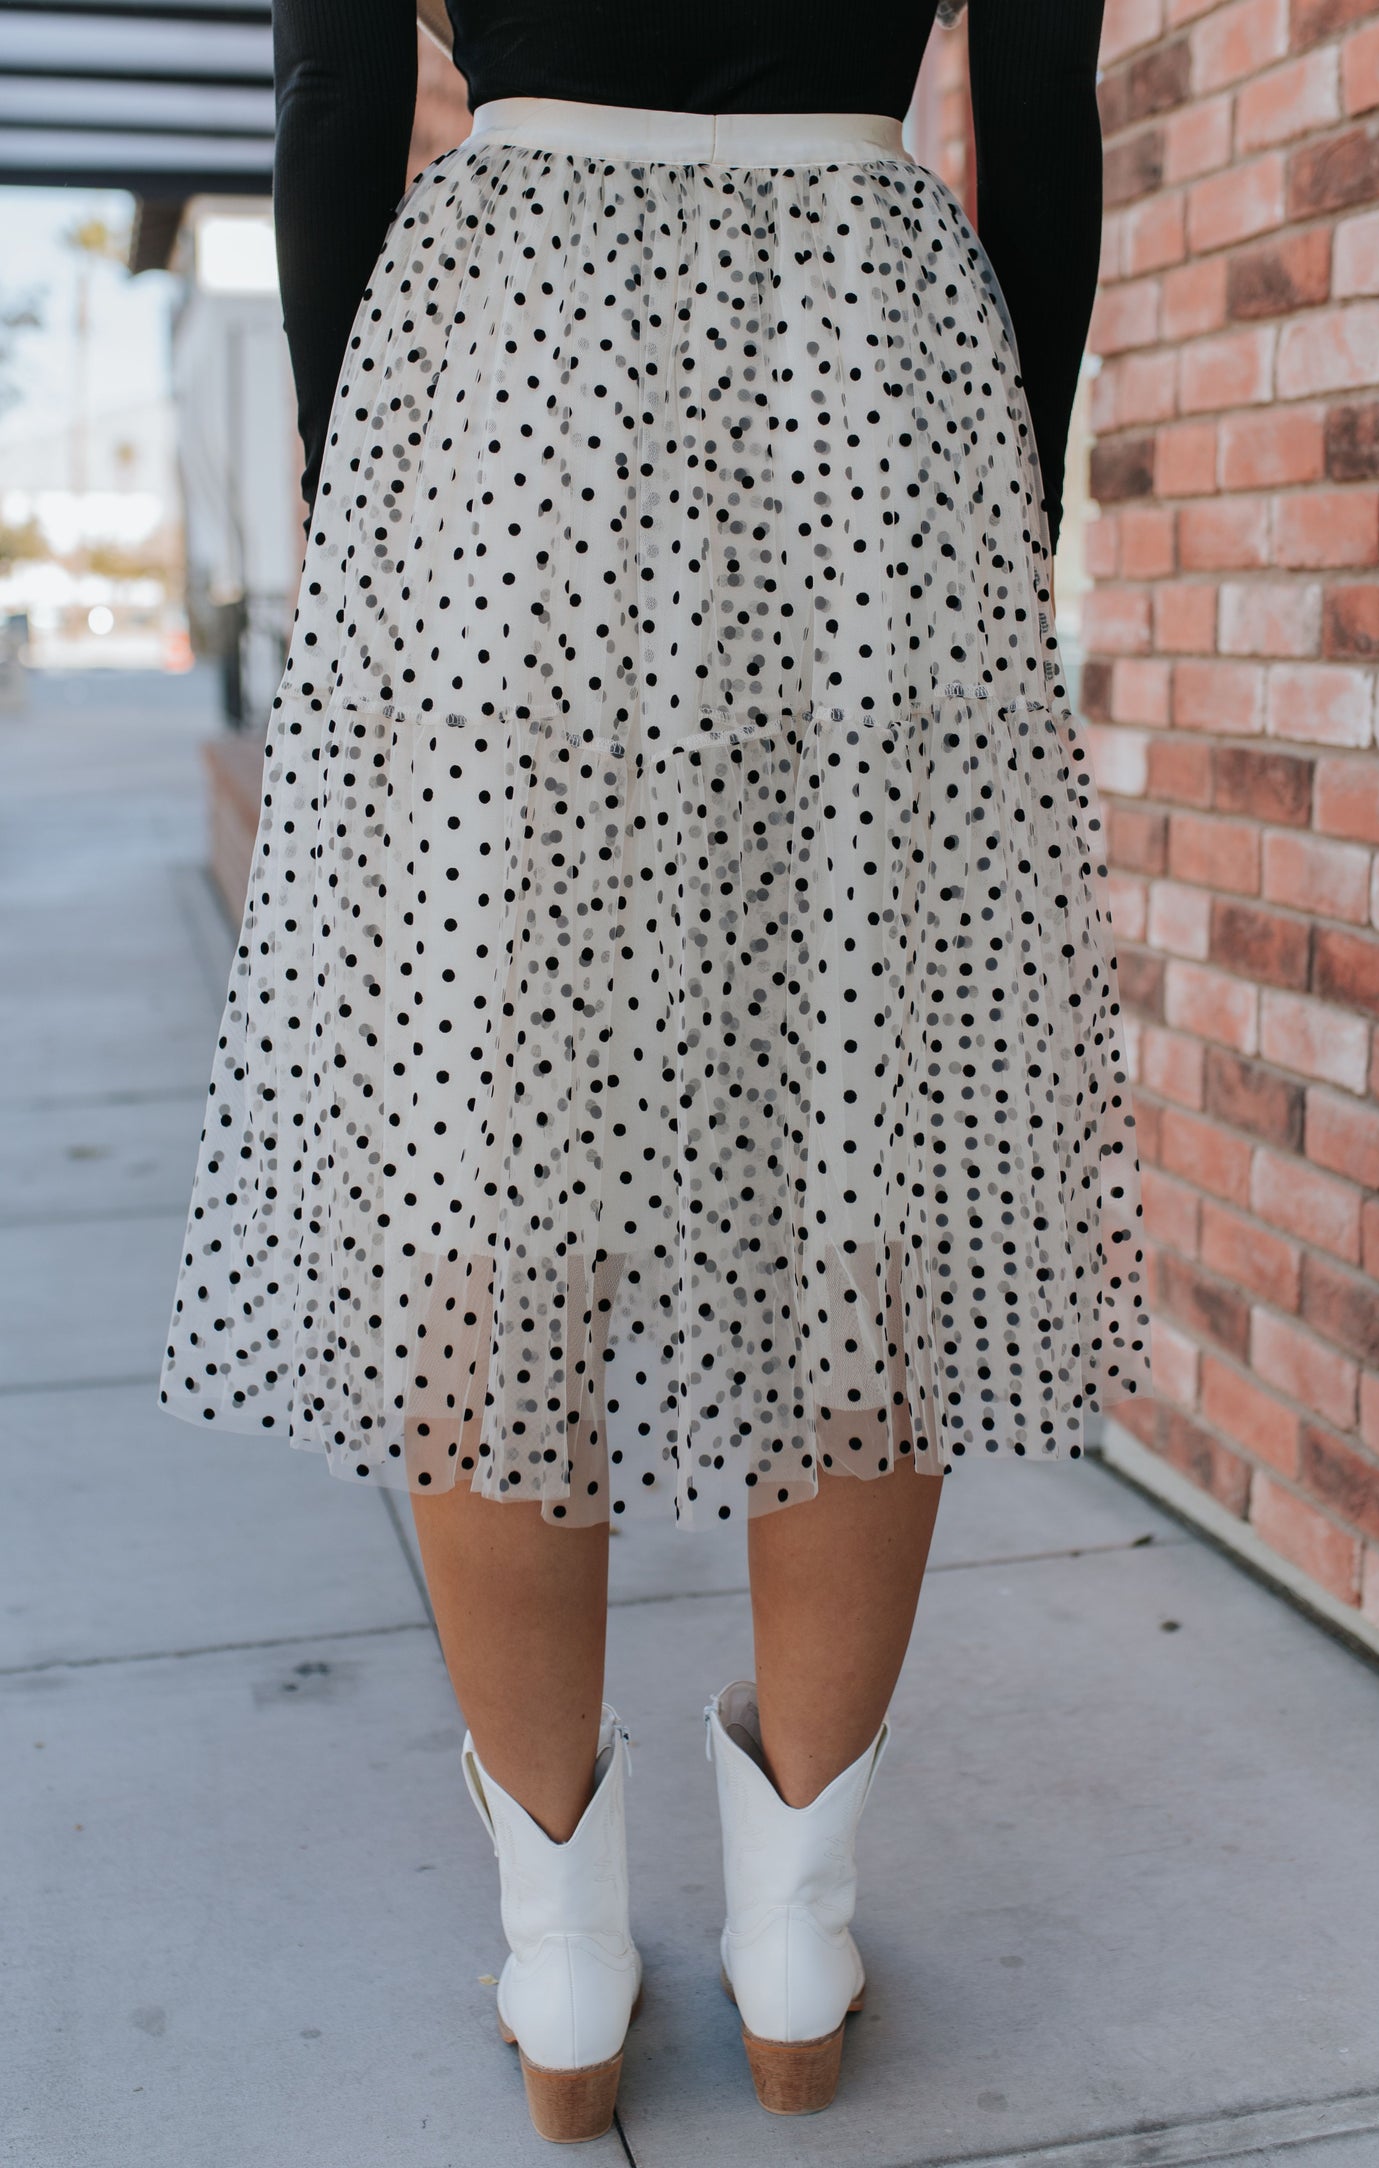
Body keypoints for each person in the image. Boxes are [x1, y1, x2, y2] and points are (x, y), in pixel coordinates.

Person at [159, 0, 1149, 2139]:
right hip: (873, 360)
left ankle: (562, 1957)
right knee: (872, 1149)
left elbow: (337, 86)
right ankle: (795, 1929)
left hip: (508, 363)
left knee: (486, 1162)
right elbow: (1041, 108)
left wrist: (365, 485)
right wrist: (1018, 494)